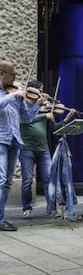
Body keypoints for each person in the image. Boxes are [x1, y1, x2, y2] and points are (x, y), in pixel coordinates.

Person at [19, 80, 77, 219]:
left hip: (43, 149)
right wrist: (43, 114)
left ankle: (52, 208)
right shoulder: (24, 105)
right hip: (26, 148)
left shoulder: (46, 107)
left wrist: (66, 119)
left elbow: (54, 129)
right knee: (27, 181)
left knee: (49, 179)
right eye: (40, 91)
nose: (43, 94)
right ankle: (27, 208)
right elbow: (24, 120)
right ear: (32, 92)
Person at [0, 59, 44, 231]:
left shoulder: (17, 94)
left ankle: (1, 218)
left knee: (8, 182)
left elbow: (26, 118)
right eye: (13, 74)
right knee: (2, 179)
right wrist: (12, 96)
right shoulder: (11, 94)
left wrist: (37, 105)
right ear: (2, 74)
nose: (16, 77)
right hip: (1, 140)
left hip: (14, 141)